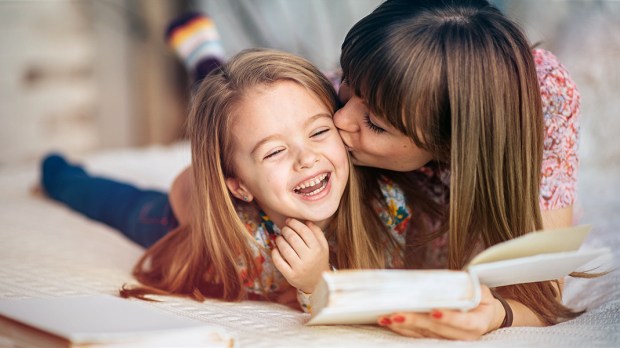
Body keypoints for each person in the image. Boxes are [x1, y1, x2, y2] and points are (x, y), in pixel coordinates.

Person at [40, 48, 409, 311]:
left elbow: (381, 296)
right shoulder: (238, 238)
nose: (306, 158)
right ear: (239, 185)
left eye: (318, 132)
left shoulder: (386, 205)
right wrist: (316, 284)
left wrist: (315, 280)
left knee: (234, 106)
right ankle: (58, 173)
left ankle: (209, 65)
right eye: (274, 151)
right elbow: (186, 190)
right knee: (114, 202)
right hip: (187, 213)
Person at [332, 0, 586, 340]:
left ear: (450, 145)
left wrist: (499, 314)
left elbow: (543, 292)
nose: (339, 119)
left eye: (375, 124)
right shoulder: (359, 89)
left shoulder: (543, 104)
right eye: (348, 81)